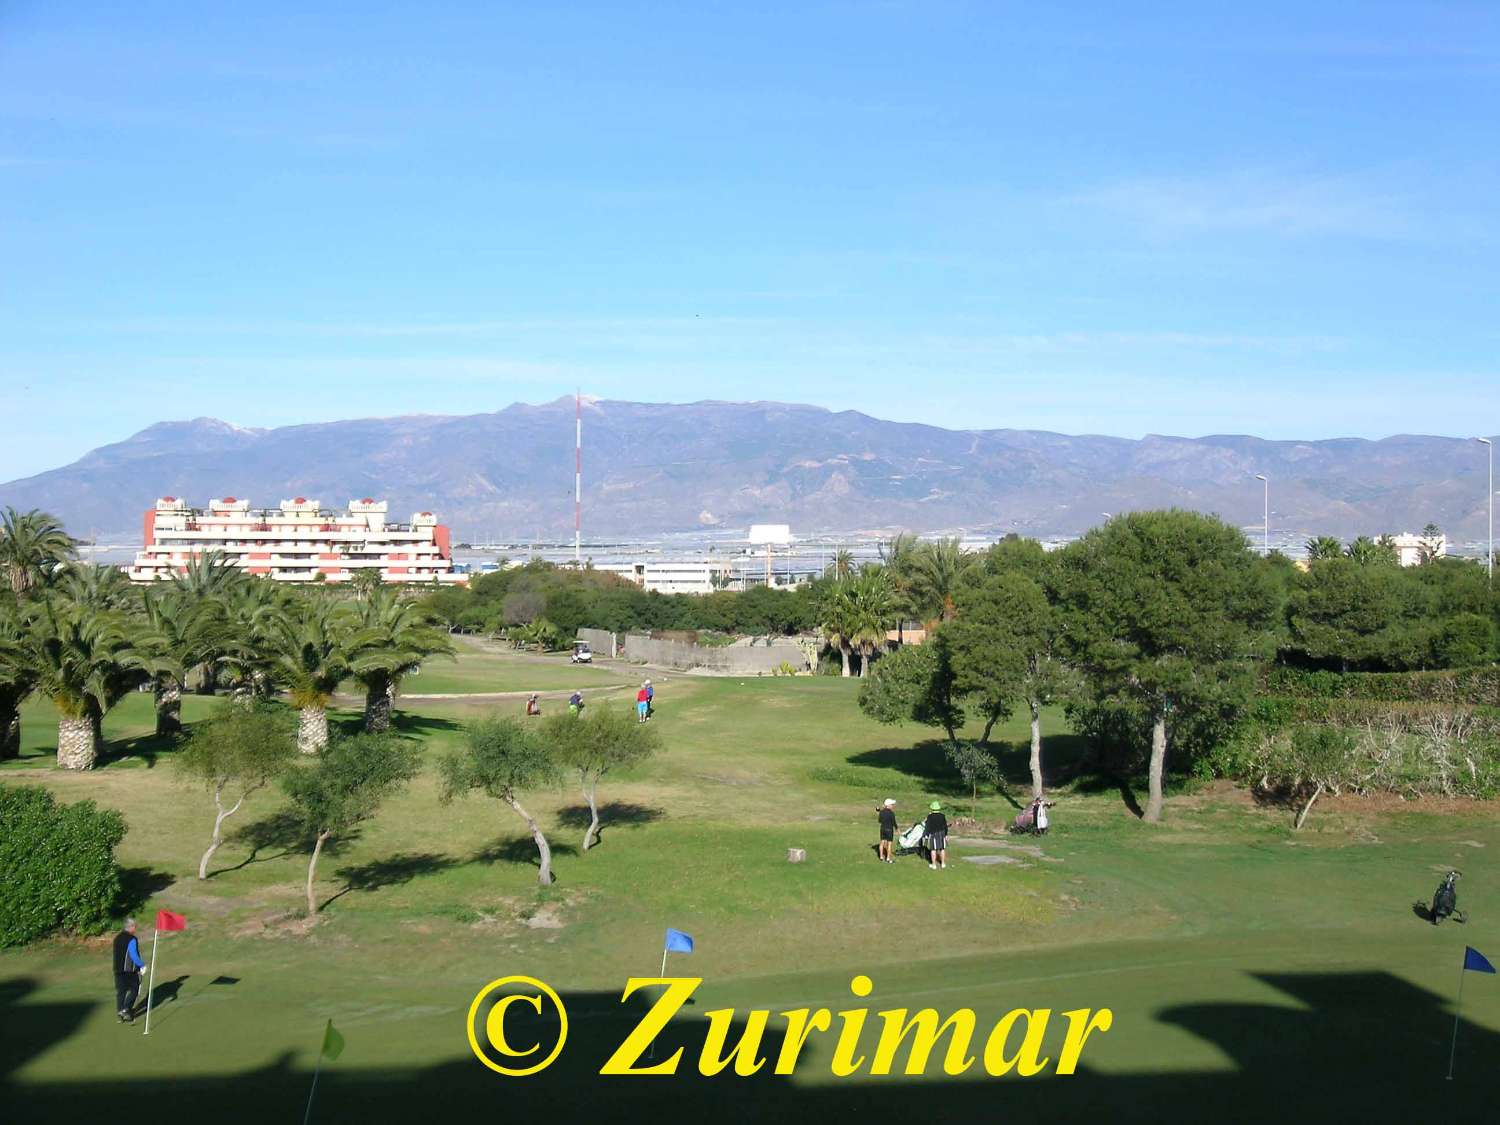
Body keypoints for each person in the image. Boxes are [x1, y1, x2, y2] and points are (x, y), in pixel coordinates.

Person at [113, 917, 146, 1023]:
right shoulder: (132, 939)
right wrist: (141, 965)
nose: (135, 928)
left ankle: (120, 1014)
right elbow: (133, 955)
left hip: (117, 969)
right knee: (134, 990)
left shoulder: (117, 938)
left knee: (121, 992)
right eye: (135, 926)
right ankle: (126, 1009)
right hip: (129, 971)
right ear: (130, 927)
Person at [924, 800, 949, 870]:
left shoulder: (930, 816)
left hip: (933, 834)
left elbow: (927, 826)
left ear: (932, 808)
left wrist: (926, 835)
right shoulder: (942, 816)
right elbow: (945, 826)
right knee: (942, 849)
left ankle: (934, 865)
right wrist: (946, 835)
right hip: (942, 834)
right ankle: (943, 863)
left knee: (933, 849)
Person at [877, 798, 898, 863]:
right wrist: (897, 829)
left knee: (882, 843)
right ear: (888, 805)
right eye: (891, 804)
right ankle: (888, 858)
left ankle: (881, 857)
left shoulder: (881, 812)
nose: (892, 806)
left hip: (882, 829)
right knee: (889, 844)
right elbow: (894, 822)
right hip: (889, 830)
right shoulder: (891, 813)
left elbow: (879, 821)